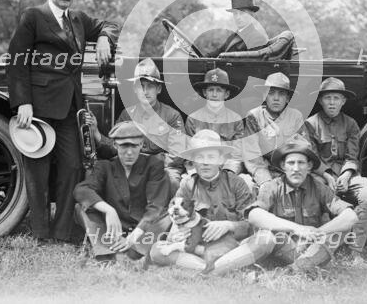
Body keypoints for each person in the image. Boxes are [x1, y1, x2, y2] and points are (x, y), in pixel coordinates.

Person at [7, 0, 118, 242]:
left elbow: (111, 24)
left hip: (71, 107)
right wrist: (23, 103)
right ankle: (41, 233)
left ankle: (62, 231)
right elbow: (17, 60)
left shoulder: (78, 19)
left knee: (71, 167)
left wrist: (103, 37)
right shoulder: (33, 16)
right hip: (40, 106)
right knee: (38, 171)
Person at [151, 129, 264, 274]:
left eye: (211, 157)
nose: (205, 162)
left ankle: (209, 270)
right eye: (199, 157)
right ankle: (218, 269)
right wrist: (175, 235)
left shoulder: (237, 183)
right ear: (192, 162)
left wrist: (229, 225)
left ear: (221, 160)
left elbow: (251, 225)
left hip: (233, 246)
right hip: (198, 249)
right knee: (157, 250)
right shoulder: (187, 185)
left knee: (265, 240)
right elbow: (175, 221)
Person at [245, 135, 359, 271]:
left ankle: (292, 270)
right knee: (268, 234)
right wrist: (297, 229)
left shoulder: (319, 187)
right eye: (291, 163)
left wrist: (319, 232)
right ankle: (301, 268)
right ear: (283, 166)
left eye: (301, 163)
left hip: (312, 246)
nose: (296, 168)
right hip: (284, 246)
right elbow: (253, 215)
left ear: (309, 166)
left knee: (341, 229)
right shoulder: (272, 187)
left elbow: (351, 216)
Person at [73, 121, 171, 262]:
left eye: (134, 146)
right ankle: (107, 251)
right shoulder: (105, 167)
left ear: (142, 145)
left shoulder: (154, 165)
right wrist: (108, 210)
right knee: (81, 208)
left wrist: (136, 233)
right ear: (115, 145)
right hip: (114, 227)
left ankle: (135, 250)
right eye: (124, 146)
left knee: (167, 216)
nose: (129, 152)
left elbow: (156, 205)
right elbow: (81, 190)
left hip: (144, 226)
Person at [305, 77, 367, 260]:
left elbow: (352, 156)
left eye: (336, 98)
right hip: (320, 176)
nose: (332, 103)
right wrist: (328, 176)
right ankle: (321, 248)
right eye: (327, 98)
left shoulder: (351, 124)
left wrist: (345, 175)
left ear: (343, 101)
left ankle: (355, 250)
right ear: (320, 100)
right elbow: (311, 157)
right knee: (315, 189)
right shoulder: (310, 124)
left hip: (346, 175)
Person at [93, 58, 186, 189]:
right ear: (135, 90)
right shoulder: (127, 114)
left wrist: (150, 166)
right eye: (141, 87)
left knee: (172, 183)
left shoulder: (172, 115)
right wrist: (96, 133)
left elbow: (177, 153)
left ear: (158, 89)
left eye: (150, 86)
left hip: (164, 167)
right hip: (132, 165)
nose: (145, 91)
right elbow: (116, 148)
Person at [242, 72, 306, 187]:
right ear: (264, 96)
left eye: (281, 94)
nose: (276, 98)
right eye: (271, 93)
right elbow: (252, 156)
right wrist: (265, 181)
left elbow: (304, 149)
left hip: (290, 171)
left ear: (287, 98)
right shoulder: (254, 116)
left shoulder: (295, 116)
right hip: (265, 172)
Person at [185, 68, 244, 175]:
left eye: (219, 90)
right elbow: (189, 153)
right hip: (201, 170)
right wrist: (195, 173)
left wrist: (228, 172)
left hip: (226, 170)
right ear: (204, 93)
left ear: (226, 94)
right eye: (211, 90)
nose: (214, 95)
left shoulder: (236, 120)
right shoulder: (193, 119)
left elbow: (237, 153)